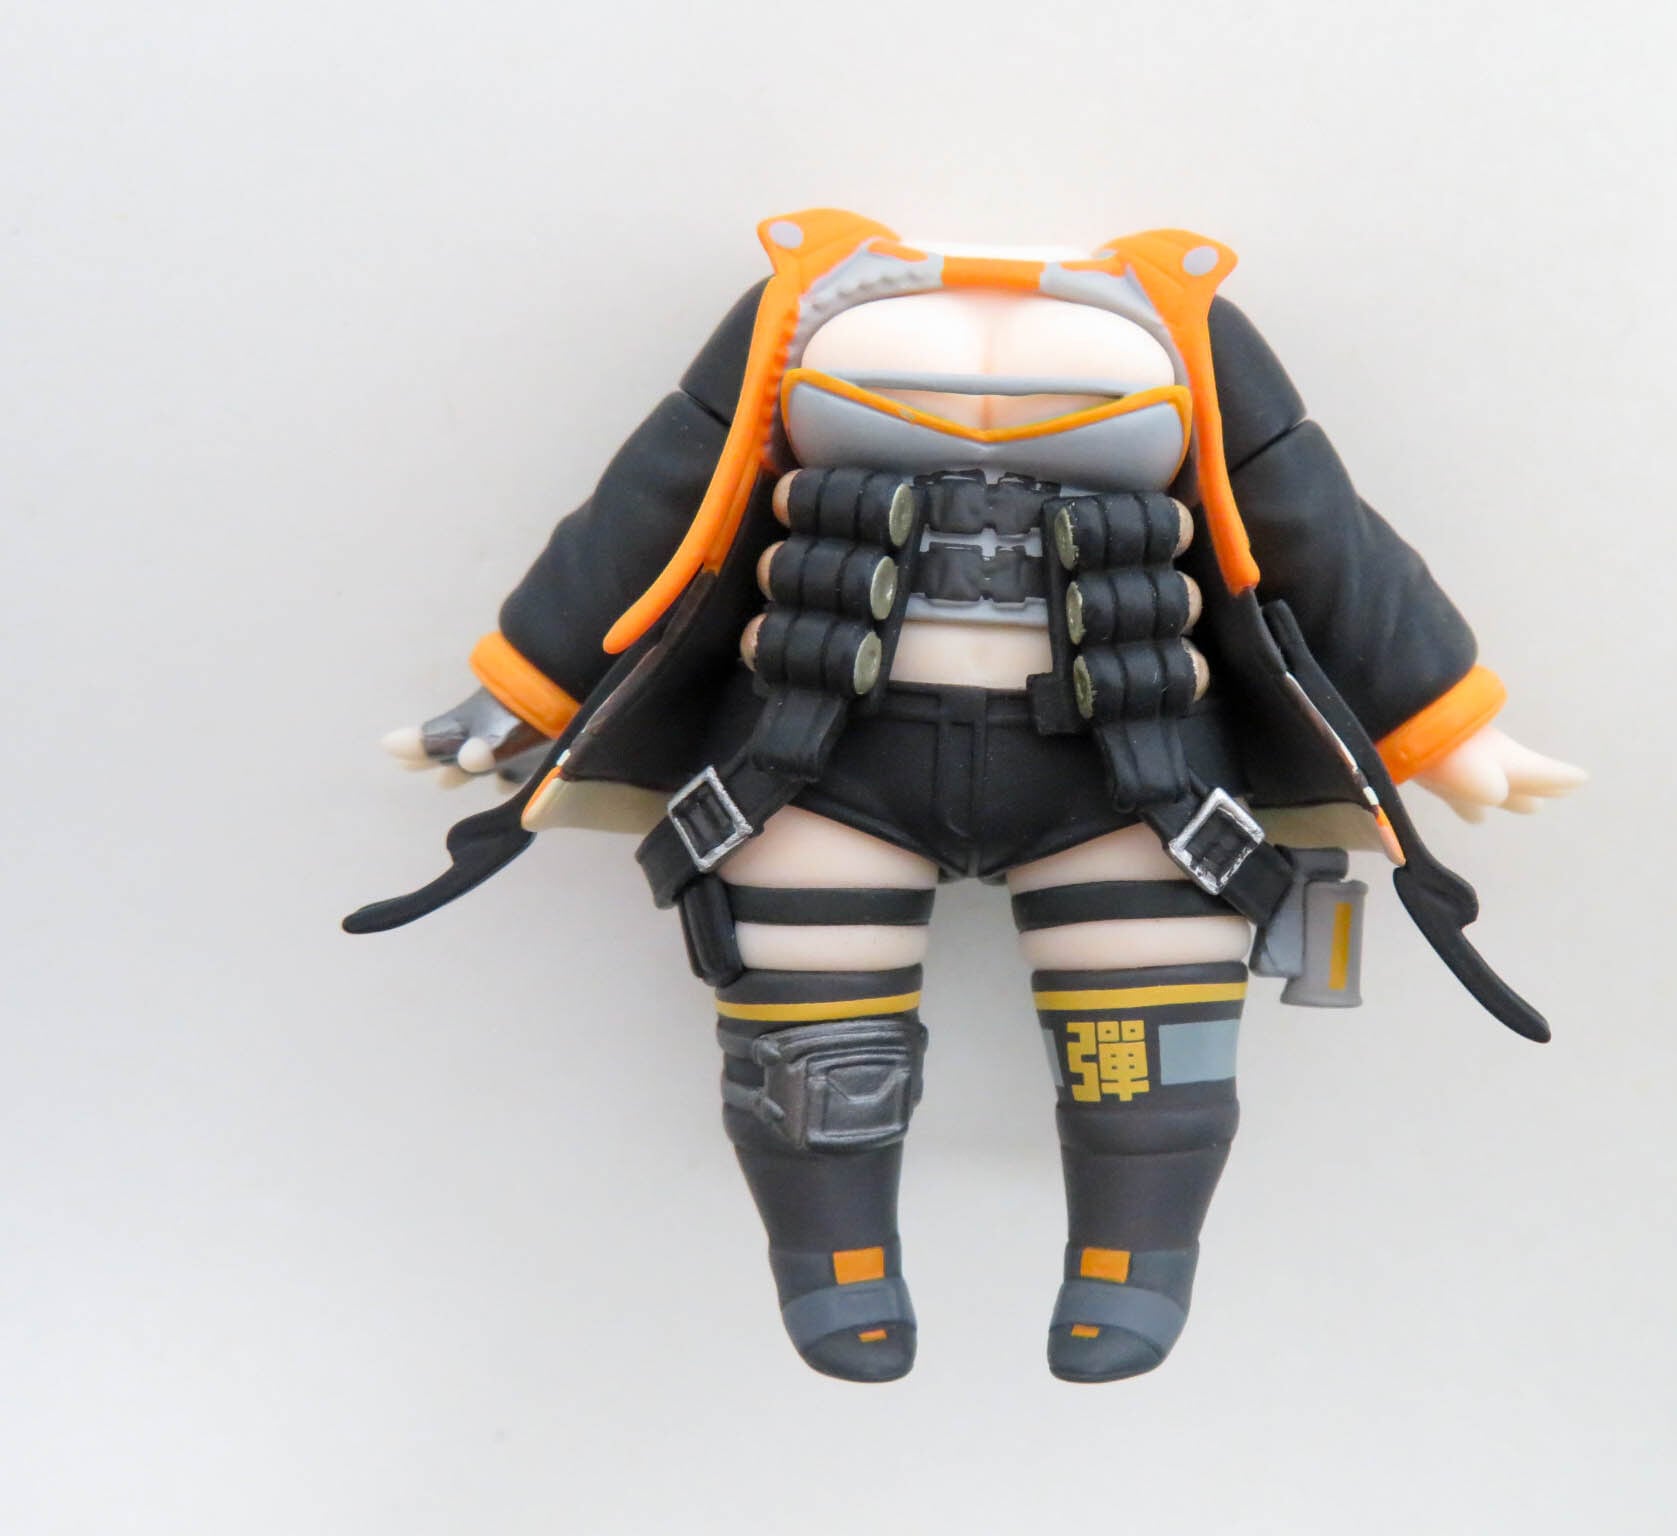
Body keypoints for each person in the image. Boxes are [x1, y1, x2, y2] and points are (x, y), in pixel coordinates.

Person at [348, 210, 1585, 1383]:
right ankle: (832, 1270)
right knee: (807, 1042)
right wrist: (519, 693)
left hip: (1137, 778)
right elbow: (652, 510)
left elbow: (1316, 534)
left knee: (1145, 1049)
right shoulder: (806, 313)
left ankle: (1132, 1268)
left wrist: (1442, 728)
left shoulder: (1179, 326)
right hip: (815, 766)